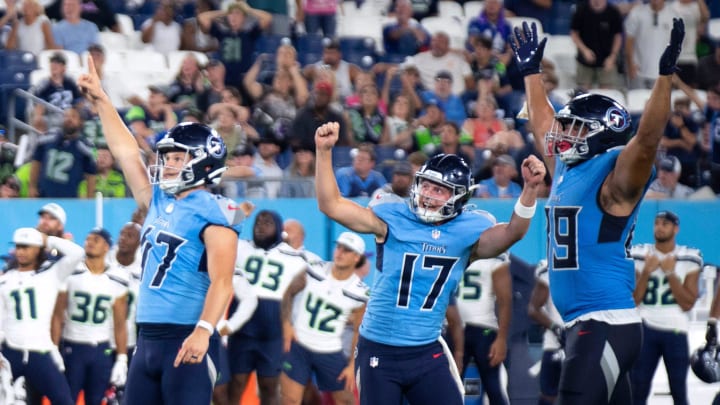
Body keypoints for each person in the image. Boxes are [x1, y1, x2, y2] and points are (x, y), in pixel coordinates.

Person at [512, 18, 685, 403]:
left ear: (602, 131)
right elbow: (543, 124)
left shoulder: (613, 175)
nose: (562, 133)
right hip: (587, 325)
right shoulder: (567, 170)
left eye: (574, 127)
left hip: (604, 322)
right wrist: (530, 73)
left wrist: (665, 77)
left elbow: (647, 140)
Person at [314, 120, 546, 405]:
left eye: (440, 190)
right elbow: (331, 205)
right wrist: (323, 152)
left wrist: (530, 190)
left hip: (426, 351)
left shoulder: (467, 229)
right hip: (379, 348)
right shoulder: (393, 216)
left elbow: (514, 232)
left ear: (459, 196)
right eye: (426, 186)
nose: (428, 195)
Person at [77, 55, 251, 404]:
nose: (167, 164)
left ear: (202, 163)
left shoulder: (215, 213)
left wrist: (204, 331)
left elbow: (222, 281)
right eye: (167, 157)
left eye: (176, 158)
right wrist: (102, 100)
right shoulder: (158, 199)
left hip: (187, 336)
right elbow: (127, 153)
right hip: (148, 339)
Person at [227, 210, 310, 405]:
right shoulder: (241, 247)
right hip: (242, 328)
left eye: (267, 223)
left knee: (269, 388)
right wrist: (239, 215)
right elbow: (222, 234)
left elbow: (303, 286)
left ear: (279, 228)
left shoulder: (295, 257)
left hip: (273, 332)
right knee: (235, 385)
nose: (261, 226)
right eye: (258, 222)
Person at [280, 232, 370, 405]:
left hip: (329, 348)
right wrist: (286, 324)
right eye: (339, 247)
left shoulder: (359, 292)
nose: (340, 253)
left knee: (345, 400)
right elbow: (288, 293)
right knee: (290, 400)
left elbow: (359, 331)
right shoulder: (314, 269)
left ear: (356, 257)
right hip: (299, 344)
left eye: (347, 250)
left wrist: (352, 364)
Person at [0, 227, 85, 405]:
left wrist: (49, 240)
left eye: (26, 247)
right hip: (10, 352)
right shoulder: (5, 280)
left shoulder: (51, 274)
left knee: (64, 401)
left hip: (41, 352)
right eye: (19, 247)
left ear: (38, 249)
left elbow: (77, 253)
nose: (21, 251)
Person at [630, 210, 702, 405]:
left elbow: (687, 303)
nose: (660, 227)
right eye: (657, 223)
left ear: (675, 228)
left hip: (675, 329)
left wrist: (670, 272)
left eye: (665, 224)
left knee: (679, 391)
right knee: (638, 389)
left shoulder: (689, 257)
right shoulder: (640, 255)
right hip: (645, 327)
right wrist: (646, 271)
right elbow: (634, 300)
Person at [52, 228, 130, 405]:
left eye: (96, 239)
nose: (90, 242)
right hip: (73, 347)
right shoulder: (71, 272)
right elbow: (57, 315)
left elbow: (120, 323)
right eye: (87, 239)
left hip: (101, 350)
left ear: (106, 247)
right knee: (66, 399)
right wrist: (54, 348)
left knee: (95, 400)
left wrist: (122, 358)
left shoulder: (118, 278)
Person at [456, 254, 512, 405]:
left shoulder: (456, 248)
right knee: (493, 387)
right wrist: (501, 338)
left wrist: (501, 338)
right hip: (479, 329)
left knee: (493, 387)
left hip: (462, 329)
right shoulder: (494, 255)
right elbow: (505, 300)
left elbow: (505, 300)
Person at [527, 260, 565, 405]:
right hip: (556, 345)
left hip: (581, 342)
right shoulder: (550, 268)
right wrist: (556, 328)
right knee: (549, 396)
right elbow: (533, 309)